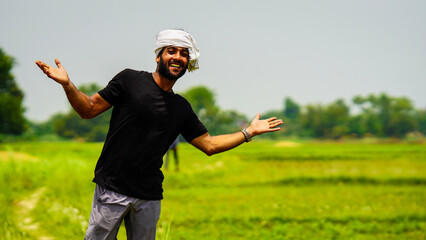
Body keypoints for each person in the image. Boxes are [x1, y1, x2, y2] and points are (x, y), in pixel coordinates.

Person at [35, 29, 283, 240]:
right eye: (172, 51)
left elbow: (209, 145)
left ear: (188, 63)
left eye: (184, 53)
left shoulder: (181, 108)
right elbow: (88, 109)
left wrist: (248, 132)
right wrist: (68, 85)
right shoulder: (129, 80)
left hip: (149, 197)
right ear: (158, 56)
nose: (178, 57)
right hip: (112, 189)